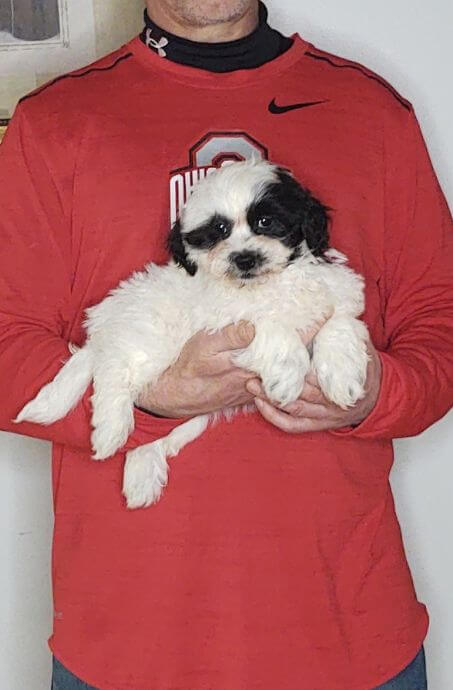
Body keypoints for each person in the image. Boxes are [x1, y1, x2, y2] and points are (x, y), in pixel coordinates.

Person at [0, 1, 451, 688]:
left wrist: (375, 395)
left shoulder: (372, 111)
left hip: (347, 633)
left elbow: (439, 323)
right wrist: (148, 394)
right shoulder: (56, 122)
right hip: (129, 641)